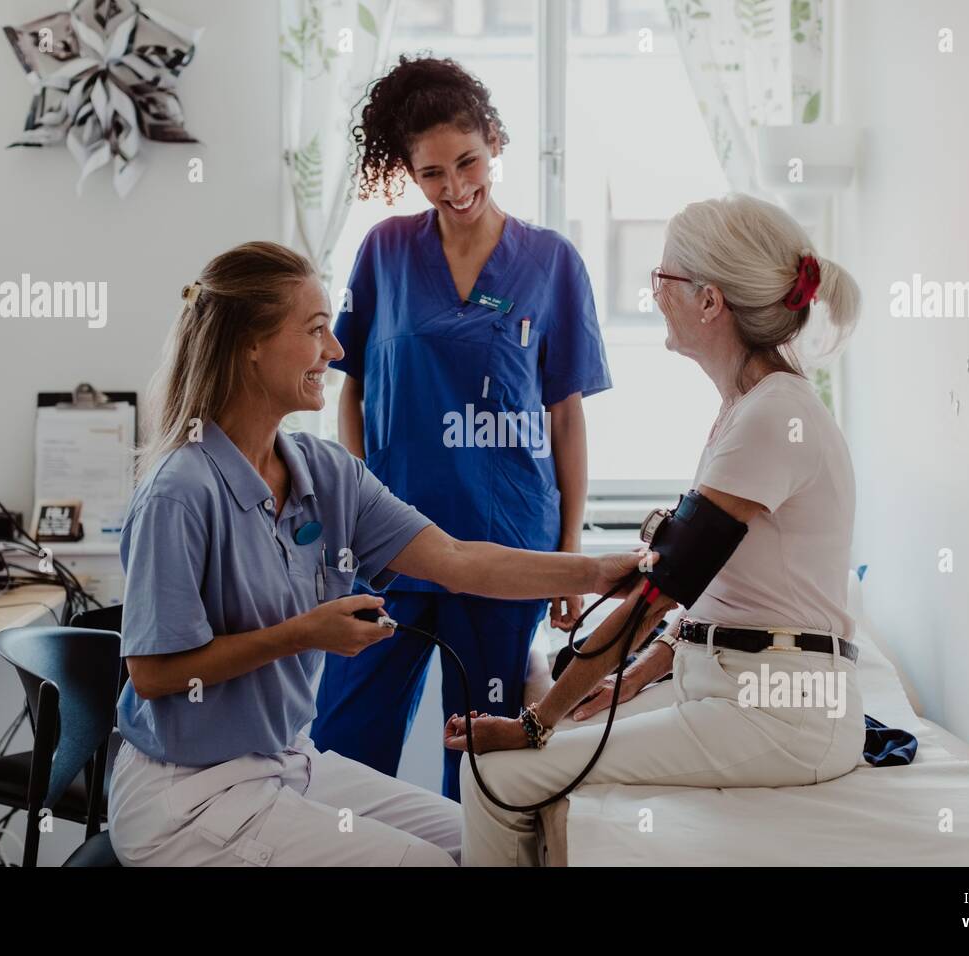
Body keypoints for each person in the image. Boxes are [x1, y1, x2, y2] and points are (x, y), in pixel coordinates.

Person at [107, 241, 637, 867]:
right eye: (316, 331)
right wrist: (303, 634)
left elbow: (462, 560)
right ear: (250, 344)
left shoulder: (325, 472)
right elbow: (156, 674)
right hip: (189, 795)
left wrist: (601, 571)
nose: (335, 351)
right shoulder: (181, 492)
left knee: (502, 842)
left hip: (286, 764)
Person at [444, 194, 866, 866]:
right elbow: (723, 596)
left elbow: (662, 588)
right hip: (738, 692)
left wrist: (535, 721)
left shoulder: (771, 418)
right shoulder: (752, 409)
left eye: (663, 278)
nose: (654, 293)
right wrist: (633, 678)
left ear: (709, 302)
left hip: (780, 716)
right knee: (529, 763)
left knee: (496, 774)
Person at [311, 55, 612, 801]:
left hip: (508, 542)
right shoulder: (384, 251)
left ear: (495, 143)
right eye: (432, 173)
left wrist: (569, 554)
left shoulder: (552, 262)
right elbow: (350, 392)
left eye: (468, 162)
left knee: (486, 759)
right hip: (393, 545)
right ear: (408, 172)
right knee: (341, 741)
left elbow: (564, 418)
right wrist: (358, 500)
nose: (456, 187)